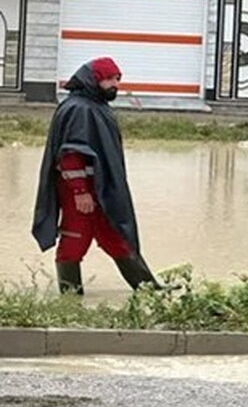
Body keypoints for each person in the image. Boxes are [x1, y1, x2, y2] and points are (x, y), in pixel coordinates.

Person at [31, 57, 163, 294]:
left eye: (117, 79)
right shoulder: (79, 109)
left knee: (117, 237)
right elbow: (70, 153)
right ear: (94, 80)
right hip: (82, 192)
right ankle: (71, 301)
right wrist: (81, 191)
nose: (116, 84)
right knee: (74, 239)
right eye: (110, 79)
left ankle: (149, 291)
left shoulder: (94, 105)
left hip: (101, 190)